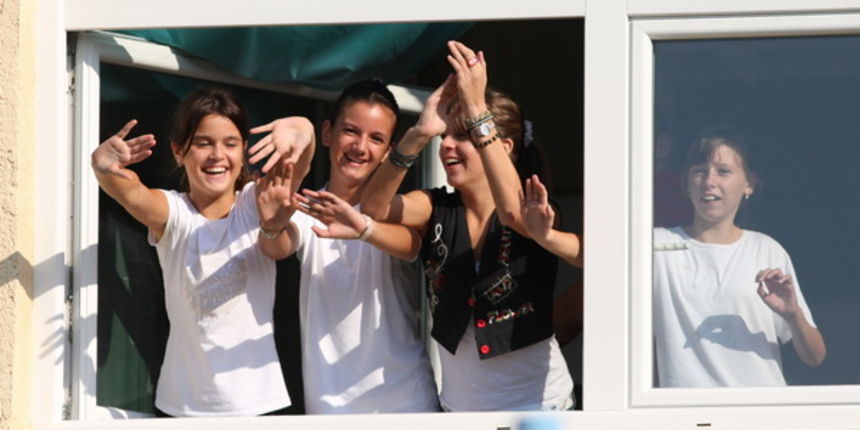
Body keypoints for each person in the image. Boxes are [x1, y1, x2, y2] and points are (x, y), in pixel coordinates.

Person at [354, 41, 581, 411]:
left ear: (503, 146)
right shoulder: (435, 207)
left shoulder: (534, 206)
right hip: (461, 410)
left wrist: (477, 109)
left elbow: (512, 215)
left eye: (463, 135)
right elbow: (373, 208)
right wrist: (419, 134)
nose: (447, 145)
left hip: (541, 409)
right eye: (446, 135)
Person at [90, 87, 315, 416]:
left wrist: (305, 131)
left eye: (230, 144)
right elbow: (131, 193)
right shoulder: (175, 213)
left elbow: (296, 173)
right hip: (182, 407)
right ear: (179, 151)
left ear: (244, 152)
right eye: (203, 143)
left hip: (258, 404)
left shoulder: (255, 202)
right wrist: (101, 166)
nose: (217, 155)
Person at [261, 79, 438, 414]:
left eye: (376, 139)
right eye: (350, 131)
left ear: (389, 151)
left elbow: (412, 245)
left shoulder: (400, 209)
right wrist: (271, 226)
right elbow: (277, 246)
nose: (360, 146)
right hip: (330, 404)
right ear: (328, 133)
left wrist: (363, 228)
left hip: (407, 401)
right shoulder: (307, 207)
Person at [652, 126, 826, 387]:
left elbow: (815, 356)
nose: (709, 181)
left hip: (760, 413)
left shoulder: (766, 249)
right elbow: (599, 254)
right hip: (687, 416)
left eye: (723, 171)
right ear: (686, 184)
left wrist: (792, 315)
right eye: (700, 171)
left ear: (749, 184)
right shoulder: (659, 245)